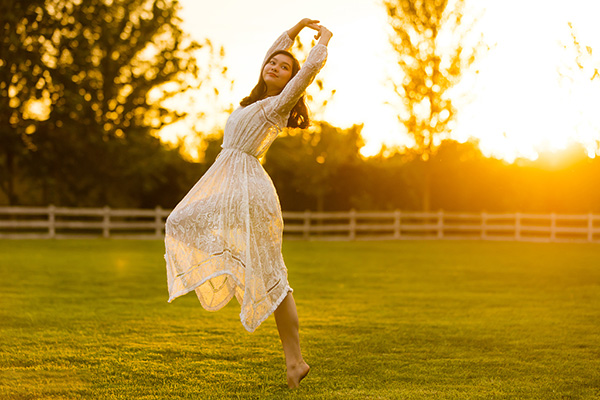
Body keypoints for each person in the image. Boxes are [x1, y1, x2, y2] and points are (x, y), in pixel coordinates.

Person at [164, 18, 332, 389]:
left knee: (272, 274)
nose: (275, 66)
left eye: (284, 66)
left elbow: (307, 71)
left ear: (290, 80)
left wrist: (321, 41)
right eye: (272, 62)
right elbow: (275, 53)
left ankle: (295, 360)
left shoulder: (276, 105)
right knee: (179, 222)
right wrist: (296, 29)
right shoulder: (254, 101)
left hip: (248, 190)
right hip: (230, 181)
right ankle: (294, 361)